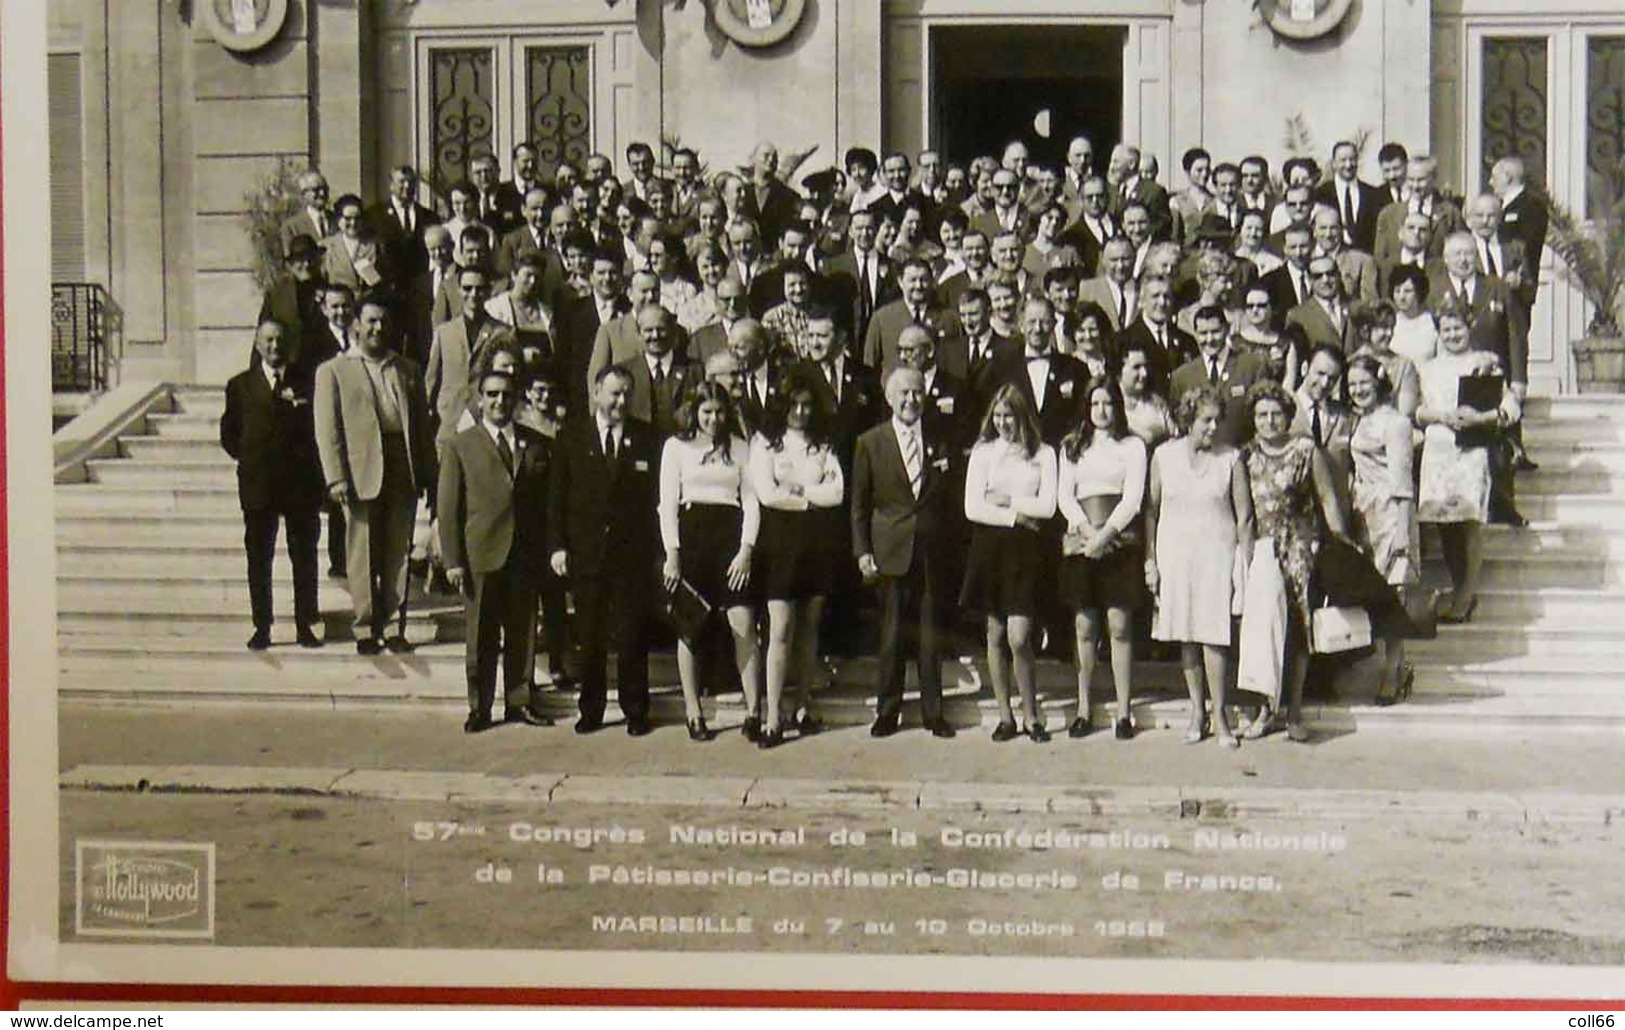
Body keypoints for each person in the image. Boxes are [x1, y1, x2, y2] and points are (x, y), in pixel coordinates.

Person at [313, 296, 432, 655]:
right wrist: (336, 477)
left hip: (401, 463)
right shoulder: (334, 370)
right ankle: (365, 627)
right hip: (360, 467)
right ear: (357, 325)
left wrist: (425, 471)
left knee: (398, 549)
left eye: (383, 321)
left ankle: (395, 625)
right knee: (362, 550)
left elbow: (422, 427)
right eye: (371, 321)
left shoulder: (407, 369)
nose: (377, 328)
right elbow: (327, 429)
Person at [438, 368, 554, 733]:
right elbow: (448, 508)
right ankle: (480, 706)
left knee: (522, 632)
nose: (499, 401)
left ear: (516, 398)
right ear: (480, 399)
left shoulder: (536, 443)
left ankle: (519, 701)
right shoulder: (460, 445)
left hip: (524, 553)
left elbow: (547, 503)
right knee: (481, 634)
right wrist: (453, 560)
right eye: (491, 394)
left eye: (505, 394)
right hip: (481, 553)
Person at [548, 365, 662, 736]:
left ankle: (636, 710)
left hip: (632, 555)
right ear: (596, 392)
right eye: (614, 393)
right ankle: (591, 709)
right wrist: (558, 547)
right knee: (590, 636)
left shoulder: (647, 437)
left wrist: (658, 551)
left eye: (627, 393)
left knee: (632, 636)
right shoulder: (571, 437)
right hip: (587, 553)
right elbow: (557, 499)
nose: (621, 401)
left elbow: (656, 501)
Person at [851, 367, 959, 740]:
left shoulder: (939, 439)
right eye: (904, 394)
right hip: (890, 548)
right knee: (892, 633)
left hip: (931, 549)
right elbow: (859, 506)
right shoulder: (870, 442)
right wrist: (862, 551)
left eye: (917, 393)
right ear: (889, 398)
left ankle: (934, 712)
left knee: (931, 634)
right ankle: (887, 710)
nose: (911, 400)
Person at [1239, 381, 1350, 742]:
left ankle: (1295, 713)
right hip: (1263, 550)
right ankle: (1264, 710)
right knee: (1262, 633)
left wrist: (1340, 540)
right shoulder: (1246, 455)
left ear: (1288, 417)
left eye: (1276, 414)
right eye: (1262, 415)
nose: (1269, 421)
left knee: (1298, 632)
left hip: (1301, 548)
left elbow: (1328, 498)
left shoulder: (1305, 450)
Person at [1145, 384, 1253, 747]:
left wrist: (1245, 565)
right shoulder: (1163, 456)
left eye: (1217, 421)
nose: (1213, 428)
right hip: (1175, 553)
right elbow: (1152, 511)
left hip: (1217, 554)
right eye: (1206, 421)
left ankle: (1220, 713)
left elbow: (1245, 518)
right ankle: (1197, 711)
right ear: (1189, 417)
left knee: (1215, 635)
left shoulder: (1231, 458)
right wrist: (1151, 560)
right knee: (1186, 634)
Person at [658, 382, 762, 742]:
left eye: (719, 411)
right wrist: (672, 554)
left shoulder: (740, 448)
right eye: (706, 412)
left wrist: (746, 550)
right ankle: (693, 711)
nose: (714, 419)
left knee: (743, 624)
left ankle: (753, 711)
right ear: (693, 411)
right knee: (691, 628)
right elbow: (667, 504)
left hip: (731, 540)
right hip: (692, 540)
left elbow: (751, 502)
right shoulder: (676, 448)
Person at [749, 365, 846, 747]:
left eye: (807, 405)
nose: (801, 412)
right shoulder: (766, 442)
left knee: (809, 629)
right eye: (794, 404)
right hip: (780, 545)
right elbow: (767, 493)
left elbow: (837, 493)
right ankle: (772, 715)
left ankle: (801, 706)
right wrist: (811, 494)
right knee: (780, 629)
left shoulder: (824, 443)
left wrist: (798, 489)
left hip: (817, 544)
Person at [961, 384, 1058, 743]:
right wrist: (1016, 515)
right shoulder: (984, 453)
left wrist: (1005, 500)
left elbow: (1047, 506)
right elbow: (973, 507)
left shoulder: (1043, 454)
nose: (1003, 423)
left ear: (1022, 416)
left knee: (1020, 636)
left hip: (1027, 553)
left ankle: (1031, 714)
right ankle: (1005, 716)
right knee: (996, 634)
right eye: (998, 416)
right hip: (991, 548)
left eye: (1010, 416)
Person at [220, 320, 325, 651]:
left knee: (304, 557)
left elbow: (316, 432)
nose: (275, 345)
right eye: (268, 340)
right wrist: (253, 460)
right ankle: (261, 626)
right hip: (259, 485)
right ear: (257, 343)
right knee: (259, 558)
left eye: (280, 339)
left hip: (299, 485)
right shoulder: (239, 386)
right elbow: (230, 435)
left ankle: (305, 624)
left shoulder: (306, 382)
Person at [1416, 305, 1520, 624]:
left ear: (1469, 326)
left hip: (1472, 450)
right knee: (1446, 522)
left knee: (1470, 520)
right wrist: (1441, 415)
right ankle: (1459, 588)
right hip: (1439, 450)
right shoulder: (1428, 368)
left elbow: (1510, 407)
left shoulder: (1484, 362)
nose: (1452, 335)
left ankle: (1466, 594)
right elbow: (1419, 411)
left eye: (1457, 328)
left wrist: (1481, 417)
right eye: (1446, 329)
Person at [1057, 378, 1147, 740]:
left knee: (1119, 626)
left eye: (1108, 403)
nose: (1102, 411)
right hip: (1082, 541)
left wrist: (1105, 535)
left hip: (1118, 541)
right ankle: (1083, 708)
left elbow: (1133, 498)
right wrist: (1086, 533)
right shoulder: (1073, 447)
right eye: (1095, 404)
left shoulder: (1133, 446)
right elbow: (1066, 496)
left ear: (1118, 406)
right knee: (1084, 627)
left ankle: (1124, 712)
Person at [1346, 354, 1420, 706]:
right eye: (1352, 384)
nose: (1358, 390)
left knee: (1394, 595)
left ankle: (1394, 671)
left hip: (1391, 514)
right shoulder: (1359, 420)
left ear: (1378, 382)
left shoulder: (1396, 423)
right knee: (1374, 594)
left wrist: (1404, 532)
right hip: (1365, 515)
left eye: (1364, 382)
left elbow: (1403, 483)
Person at [1170, 304, 1271, 447]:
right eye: (1203, 333)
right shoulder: (1181, 376)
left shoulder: (1251, 365)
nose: (1209, 339)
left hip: (1241, 455)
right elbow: (1179, 425)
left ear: (1227, 330)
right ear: (1196, 334)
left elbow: (1264, 413)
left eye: (1215, 331)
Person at [1349, 300, 1421, 418]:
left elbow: (1405, 412)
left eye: (1391, 327)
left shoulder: (1404, 365)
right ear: (1365, 330)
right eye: (1383, 327)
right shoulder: (1351, 363)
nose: (1389, 333)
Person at [1235, 284, 1298, 391]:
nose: (1255, 310)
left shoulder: (1286, 345)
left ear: (1271, 308)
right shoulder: (1234, 342)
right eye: (1250, 306)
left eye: (1261, 305)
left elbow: (1288, 385)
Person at [1118, 343, 1177, 449]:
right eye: (1136, 367)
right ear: (1119, 370)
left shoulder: (1157, 402)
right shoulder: (1110, 404)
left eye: (1145, 366)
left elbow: (1174, 435)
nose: (1144, 373)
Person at [1387, 265, 1438, 366]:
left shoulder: (1433, 322)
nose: (1402, 297)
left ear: (1418, 292)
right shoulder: (1389, 323)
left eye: (1408, 291)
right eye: (1397, 291)